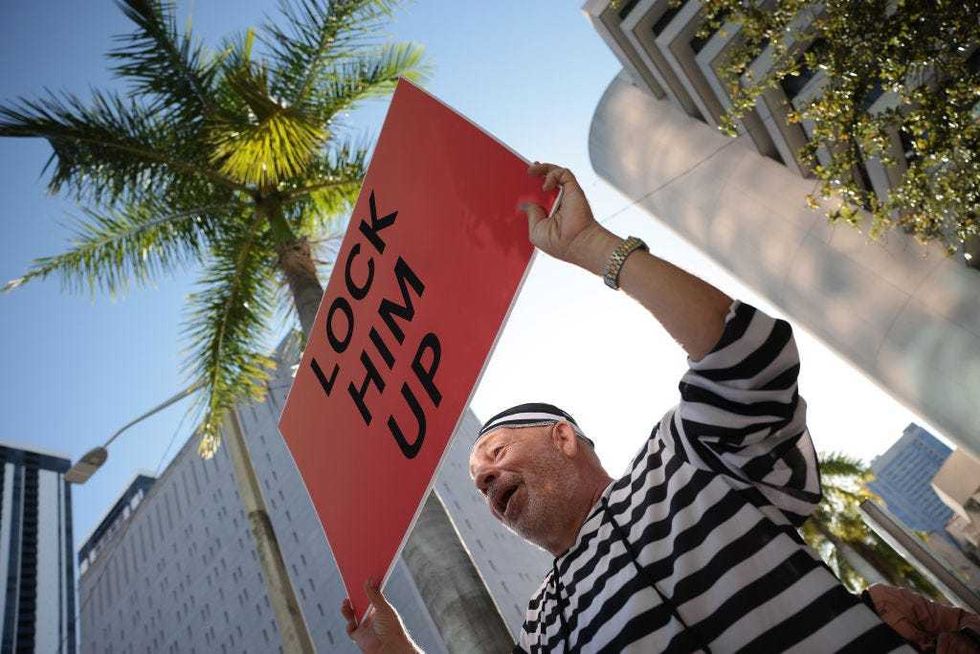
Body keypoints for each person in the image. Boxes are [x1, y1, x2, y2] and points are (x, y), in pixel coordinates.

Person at [341, 163, 914, 652]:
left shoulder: (681, 458)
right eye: (477, 484)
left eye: (495, 451)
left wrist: (592, 248)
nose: (486, 479)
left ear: (562, 438)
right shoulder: (542, 628)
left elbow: (747, 355)